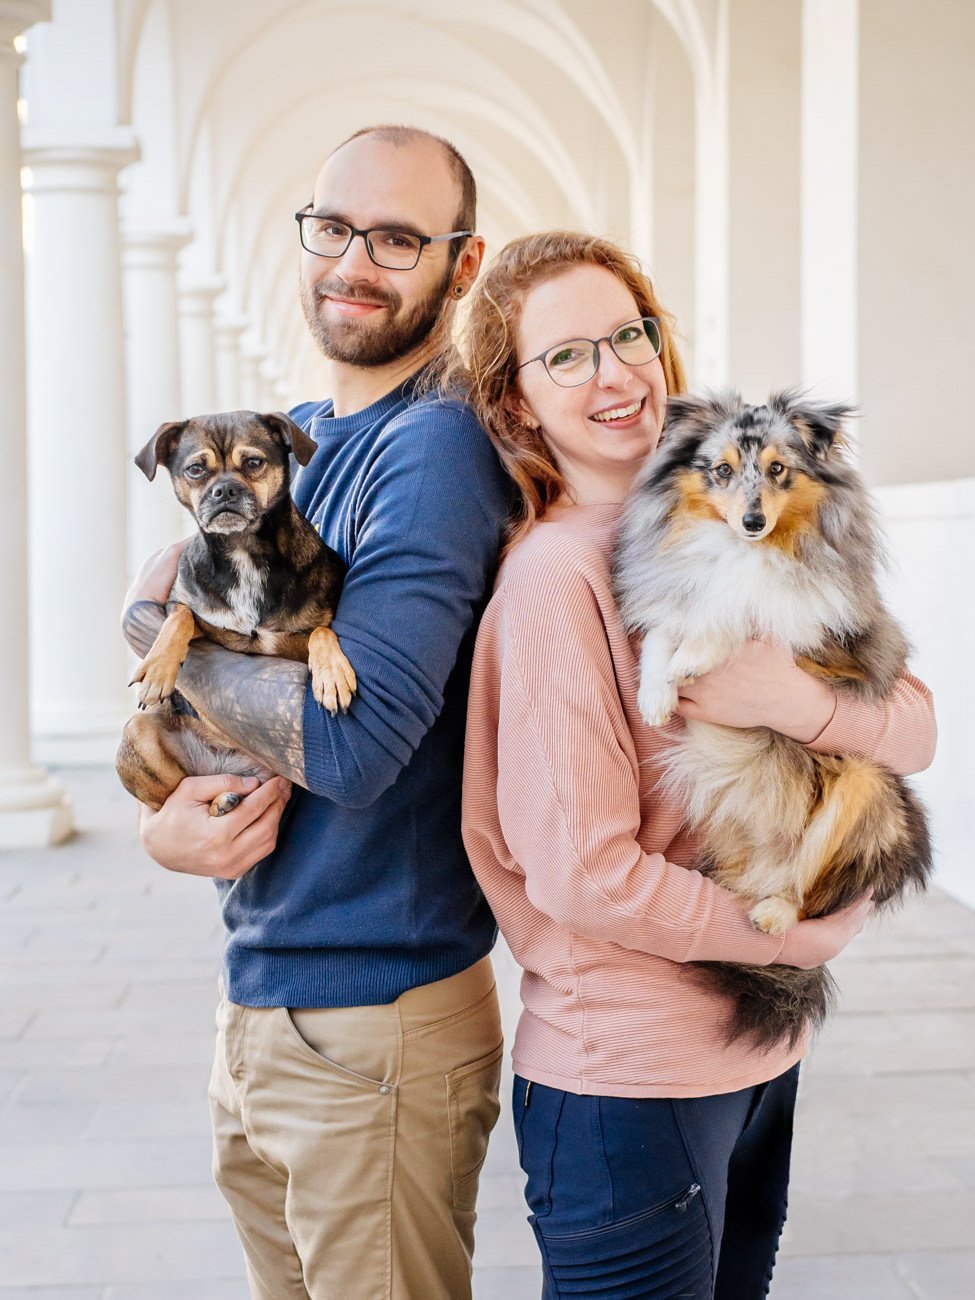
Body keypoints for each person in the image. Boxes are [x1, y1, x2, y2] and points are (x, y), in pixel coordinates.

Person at [455, 231, 937, 1299]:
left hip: (758, 1049)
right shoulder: (556, 579)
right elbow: (585, 874)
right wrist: (798, 934)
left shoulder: (736, 536)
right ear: (517, 404)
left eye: (628, 335)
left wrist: (795, 704)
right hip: (632, 1077)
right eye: (566, 356)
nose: (615, 373)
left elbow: (914, 727)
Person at [121, 125, 511, 1300]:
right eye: (334, 227)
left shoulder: (431, 450)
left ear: (462, 262)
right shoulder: (297, 434)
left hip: (370, 1016)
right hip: (271, 988)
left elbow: (346, 745)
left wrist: (151, 633)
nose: (353, 261)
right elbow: (185, 656)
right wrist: (160, 823)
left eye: (397, 239)